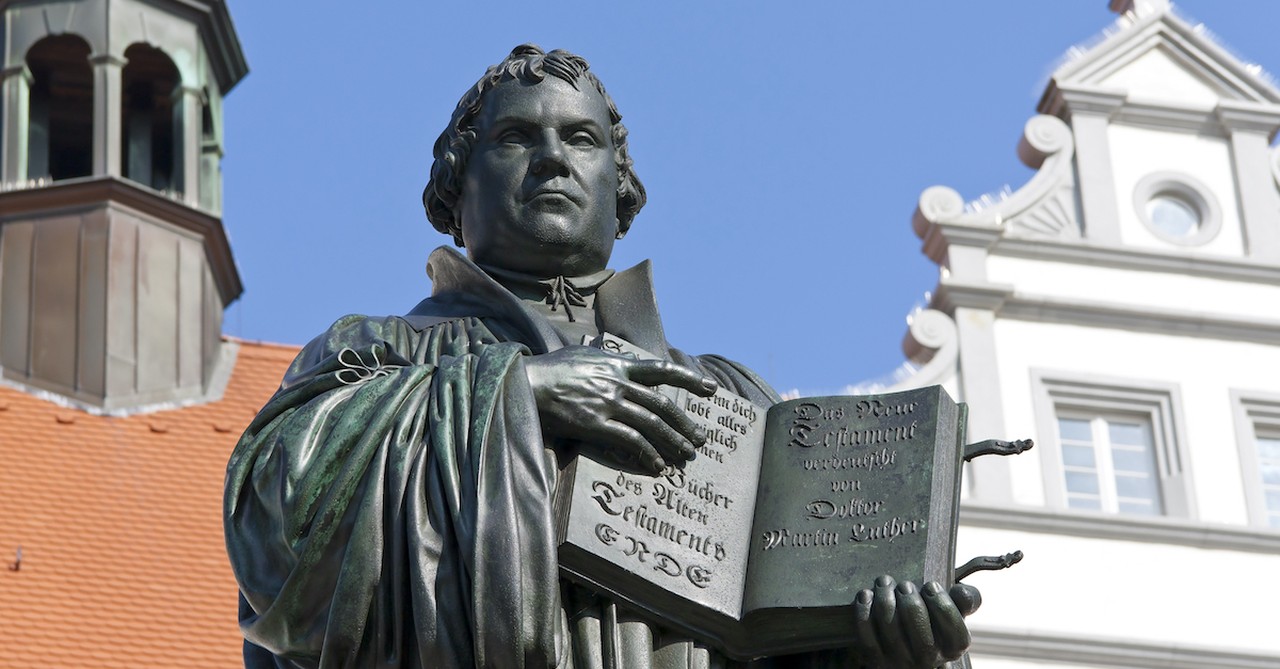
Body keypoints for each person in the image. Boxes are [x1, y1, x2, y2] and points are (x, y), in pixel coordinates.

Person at [225, 44, 977, 669]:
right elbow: (275, 528)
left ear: (621, 191)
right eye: (515, 138)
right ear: (457, 184)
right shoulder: (376, 352)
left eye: (581, 139)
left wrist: (886, 650)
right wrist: (518, 393)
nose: (552, 158)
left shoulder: (735, 399)